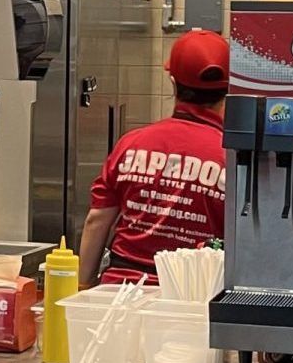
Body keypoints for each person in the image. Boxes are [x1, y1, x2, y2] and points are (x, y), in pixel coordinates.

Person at [79, 31, 229, 286]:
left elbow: (97, 221)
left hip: (119, 292)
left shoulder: (132, 144)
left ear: (172, 81)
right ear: (229, 87)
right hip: (191, 297)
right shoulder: (231, 157)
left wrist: (83, 287)